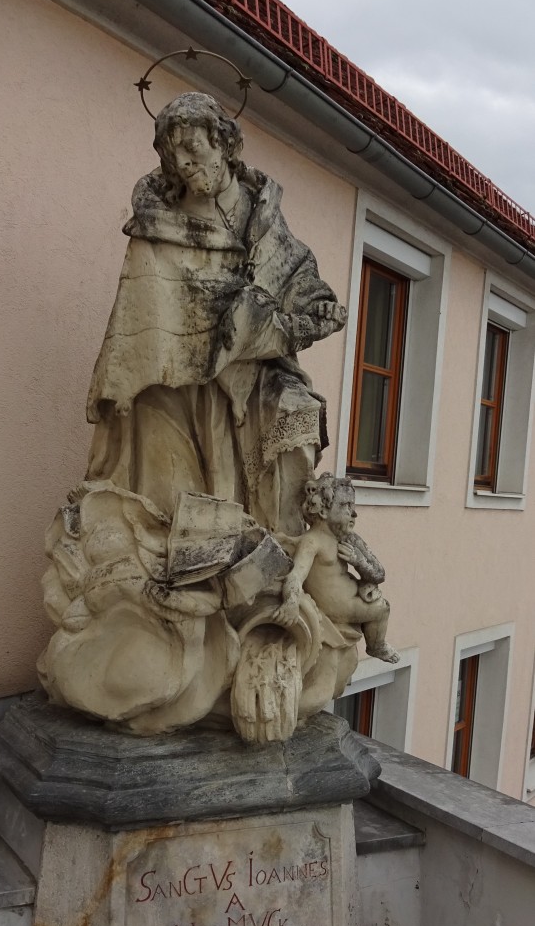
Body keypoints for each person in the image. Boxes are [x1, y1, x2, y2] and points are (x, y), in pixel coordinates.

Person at [85, 92, 347, 535]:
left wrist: (315, 307)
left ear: (224, 144)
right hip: (182, 376)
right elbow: (144, 310)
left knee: (296, 414)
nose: (184, 162)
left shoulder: (260, 210)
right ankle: (213, 539)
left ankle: (279, 545)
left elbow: (291, 269)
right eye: (175, 155)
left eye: (193, 148)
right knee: (175, 442)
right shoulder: (160, 224)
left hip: (259, 364)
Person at [274, 473, 400, 664]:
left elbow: (379, 574)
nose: (354, 513)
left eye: (353, 506)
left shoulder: (347, 538)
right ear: (324, 511)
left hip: (354, 596)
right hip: (337, 607)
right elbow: (296, 576)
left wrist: (358, 561)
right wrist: (291, 601)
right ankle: (376, 646)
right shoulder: (312, 541)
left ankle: (377, 643)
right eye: (346, 505)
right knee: (382, 609)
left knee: (378, 599)